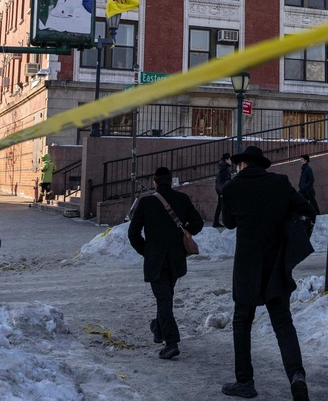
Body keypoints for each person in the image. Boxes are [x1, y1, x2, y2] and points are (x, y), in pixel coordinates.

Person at [222, 146, 316, 400]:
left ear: (242, 164)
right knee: (283, 323)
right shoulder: (280, 183)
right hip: (276, 264)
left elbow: (228, 222)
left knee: (242, 321)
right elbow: (308, 210)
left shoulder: (232, 187)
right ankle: (297, 376)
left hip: (246, 267)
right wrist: (293, 236)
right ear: (263, 165)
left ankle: (245, 382)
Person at [127, 166, 205, 361]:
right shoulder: (183, 199)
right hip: (176, 259)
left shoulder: (146, 202)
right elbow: (198, 224)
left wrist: (145, 251)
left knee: (164, 299)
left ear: (155, 183)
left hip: (155, 260)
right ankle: (158, 327)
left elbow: (133, 233)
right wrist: (183, 232)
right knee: (166, 296)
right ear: (171, 182)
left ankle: (171, 343)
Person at [214, 153, 233, 227]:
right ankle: (223, 221)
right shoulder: (224, 168)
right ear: (226, 159)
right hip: (223, 191)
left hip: (222, 190)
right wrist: (222, 192)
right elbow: (220, 181)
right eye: (230, 159)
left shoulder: (223, 167)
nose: (231, 161)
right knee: (223, 206)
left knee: (220, 206)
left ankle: (217, 221)